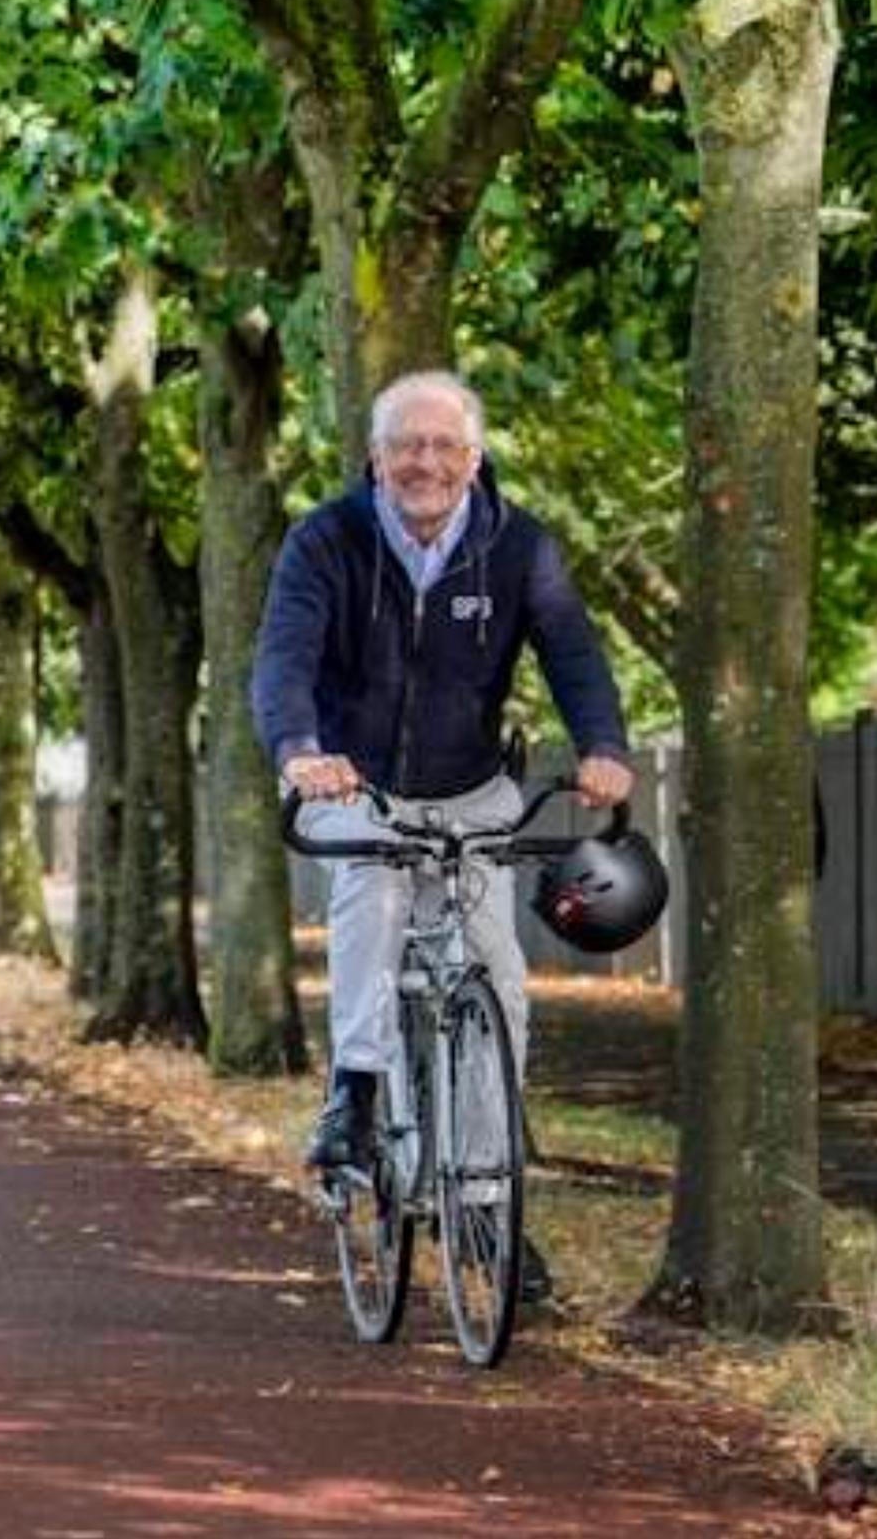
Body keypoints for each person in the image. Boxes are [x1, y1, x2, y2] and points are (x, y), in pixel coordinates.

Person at [251, 369, 633, 1303]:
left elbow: (573, 654)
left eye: (443, 446)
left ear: (474, 459)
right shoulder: (326, 541)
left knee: (496, 973)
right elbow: (284, 657)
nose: (425, 462)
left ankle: (490, 1209)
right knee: (375, 896)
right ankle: (357, 1095)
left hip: (471, 789)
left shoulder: (518, 547)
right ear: (376, 458)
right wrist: (300, 750)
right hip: (359, 781)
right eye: (406, 446)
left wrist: (604, 748)